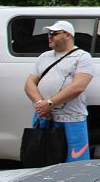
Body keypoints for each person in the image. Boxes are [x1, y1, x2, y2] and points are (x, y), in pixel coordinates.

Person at [23, 21, 95, 162]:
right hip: (43, 117)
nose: (49, 37)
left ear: (67, 35)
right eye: (49, 34)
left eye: (54, 33)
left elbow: (78, 86)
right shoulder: (44, 57)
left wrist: (50, 103)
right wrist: (40, 104)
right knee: (41, 159)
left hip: (71, 119)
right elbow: (29, 83)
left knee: (74, 165)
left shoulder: (82, 57)